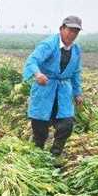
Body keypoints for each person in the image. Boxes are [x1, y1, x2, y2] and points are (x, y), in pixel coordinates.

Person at [23, 16, 83, 164]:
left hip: (63, 92)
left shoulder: (76, 50)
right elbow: (32, 61)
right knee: (40, 128)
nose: (72, 34)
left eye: (76, 31)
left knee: (67, 124)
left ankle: (54, 155)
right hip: (45, 89)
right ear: (62, 29)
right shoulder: (49, 44)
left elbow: (76, 72)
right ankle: (38, 153)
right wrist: (37, 74)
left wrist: (77, 93)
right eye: (70, 30)